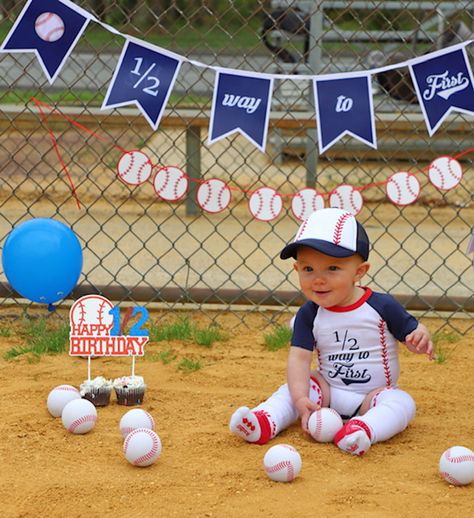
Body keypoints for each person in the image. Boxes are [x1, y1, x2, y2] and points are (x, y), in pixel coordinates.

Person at [229, 208, 433, 456]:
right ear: (297, 269)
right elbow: (299, 359)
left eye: (333, 268)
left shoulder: (381, 306)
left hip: (373, 397)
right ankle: (265, 420)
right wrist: (301, 397)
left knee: (401, 402)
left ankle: (364, 429)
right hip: (326, 391)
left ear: (360, 271)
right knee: (296, 388)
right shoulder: (309, 314)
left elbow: (411, 333)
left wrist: (419, 337)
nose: (318, 279)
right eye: (308, 269)